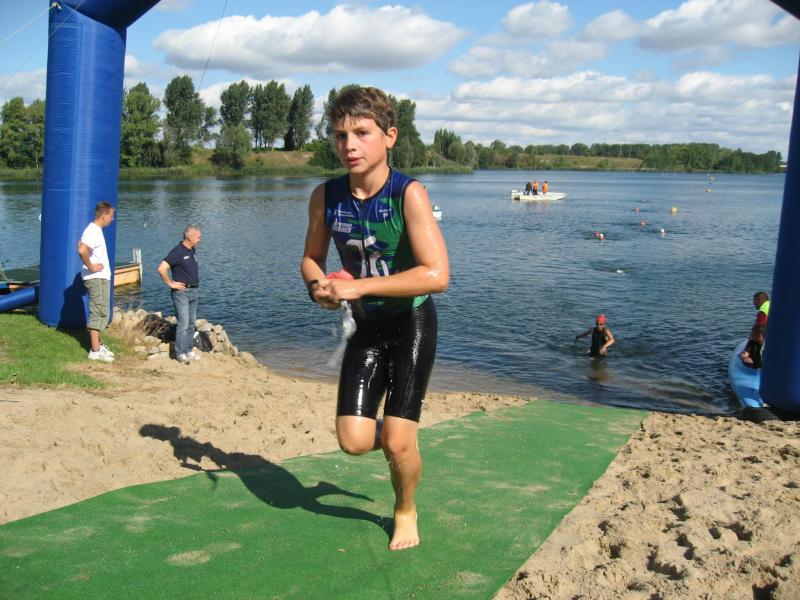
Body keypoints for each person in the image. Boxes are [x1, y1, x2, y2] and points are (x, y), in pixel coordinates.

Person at [301, 86, 449, 551]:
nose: (349, 145)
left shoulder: (409, 194)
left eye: (362, 133)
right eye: (340, 135)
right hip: (366, 328)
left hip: (411, 324)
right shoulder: (326, 196)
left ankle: (405, 508)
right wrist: (319, 288)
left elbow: (437, 274)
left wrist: (358, 287)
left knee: (399, 443)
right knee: (354, 441)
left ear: (389, 136)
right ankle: (397, 436)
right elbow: (311, 258)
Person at [158, 225, 202, 364]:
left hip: (193, 291)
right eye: (198, 237)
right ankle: (180, 353)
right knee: (183, 323)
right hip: (181, 293)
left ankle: (188, 350)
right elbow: (162, 268)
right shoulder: (177, 251)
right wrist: (171, 283)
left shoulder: (192, 250)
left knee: (191, 323)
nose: (200, 240)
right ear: (190, 237)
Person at [77, 201, 115, 362]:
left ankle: (98, 345)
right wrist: (91, 266)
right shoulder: (93, 230)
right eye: (111, 215)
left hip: (100, 277)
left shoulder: (95, 230)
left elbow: (80, 244)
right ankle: (95, 350)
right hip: (96, 278)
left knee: (102, 311)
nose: (112, 219)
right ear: (103, 215)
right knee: (98, 312)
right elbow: (82, 249)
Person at [739, 291, 770, 368]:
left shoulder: (763, 311)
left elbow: (758, 326)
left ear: (759, 300)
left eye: (754, 301)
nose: (753, 303)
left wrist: (751, 336)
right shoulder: (770, 304)